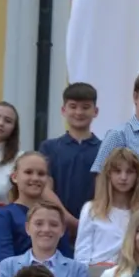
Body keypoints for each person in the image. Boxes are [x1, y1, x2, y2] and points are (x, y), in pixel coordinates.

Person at [39, 82, 102, 227]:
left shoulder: (105, 149)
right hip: (56, 226)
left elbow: (107, 192)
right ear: (63, 110)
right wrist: (70, 221)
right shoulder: (49, 147)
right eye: (73, 106)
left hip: (95, 226)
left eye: (85, 107)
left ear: (95, 111)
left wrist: (87, 222)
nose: (79, 112)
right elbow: (45, 188)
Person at [76, 148, 139, 266]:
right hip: (96, 275)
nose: (123, 177)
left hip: (128, 276)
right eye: (117, 171)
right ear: (109, 174)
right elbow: (81, 256)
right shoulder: (91, 209)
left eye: (129, 172)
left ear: (137, 176)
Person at [0, 152, 67, 262]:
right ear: (14, 177)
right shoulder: (5, 215)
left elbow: (67, 257)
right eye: (28, 172)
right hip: (18, 276)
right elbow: (5, 258)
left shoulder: (55, 214)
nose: (35, 178)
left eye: (41, 174)